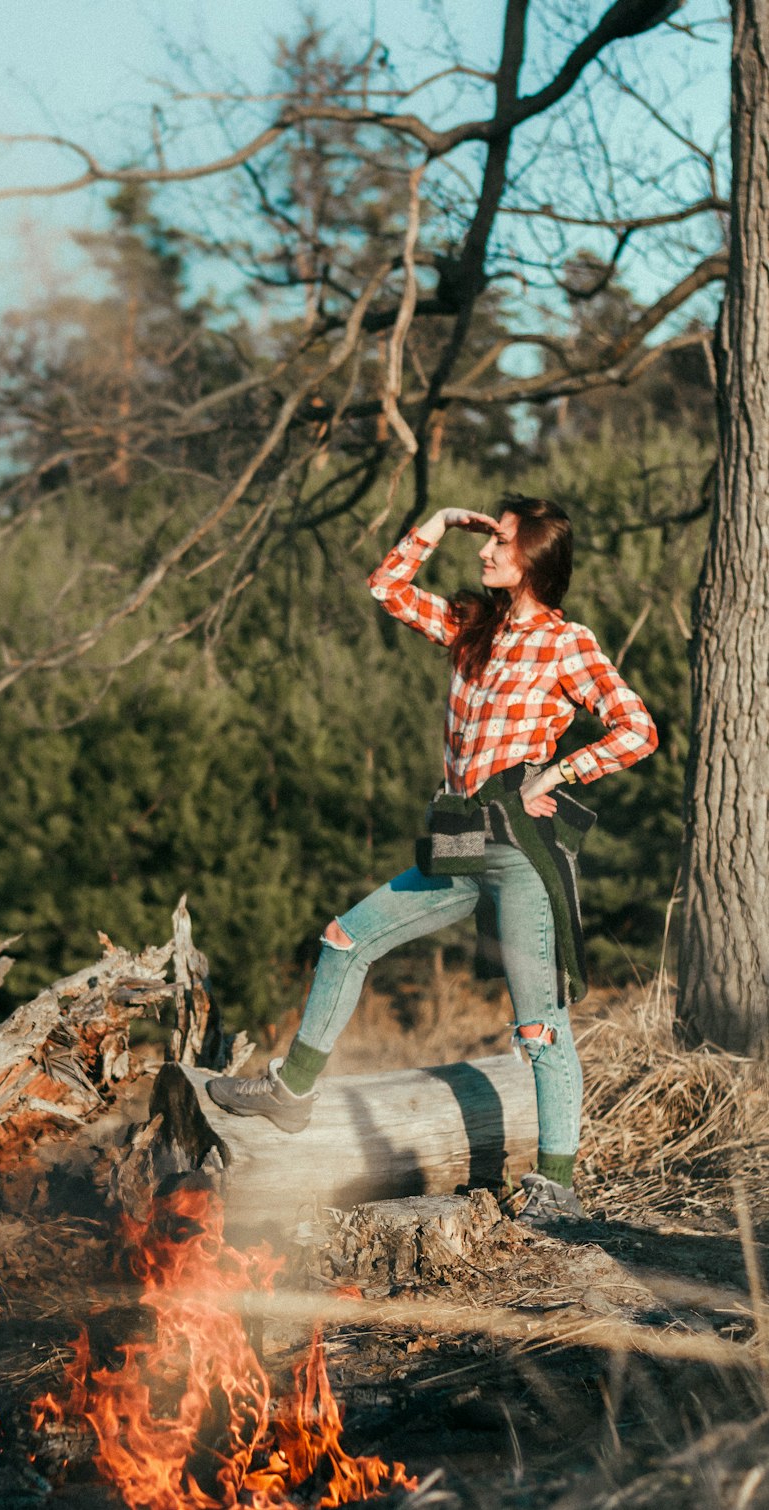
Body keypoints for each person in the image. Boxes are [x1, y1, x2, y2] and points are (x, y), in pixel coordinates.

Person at [207, 495, 658, 1224]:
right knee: (345, 938)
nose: (486, 554)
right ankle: (293, 1092)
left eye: (502, 544)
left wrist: (559, 773)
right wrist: (443, 519)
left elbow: (637, 729)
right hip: (453, 841)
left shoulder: (566, 642)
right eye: (489, 541)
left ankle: (556, 1186)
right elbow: (386, 587)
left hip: (517, 847)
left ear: (535, 560)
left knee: (537, 1024)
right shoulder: (470, 629)